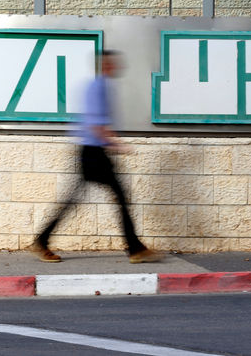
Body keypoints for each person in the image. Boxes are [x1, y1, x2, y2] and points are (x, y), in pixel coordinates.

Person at [28, 50, 161, 264]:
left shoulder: (100, 86)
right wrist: (118, 145)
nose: (117, 67)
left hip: (92, 151)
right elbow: (97, 125)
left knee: (81, 198)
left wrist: (111, 140)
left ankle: (42, 240)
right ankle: (135, 248)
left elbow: (99, 123)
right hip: (93, 152)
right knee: (117, 196)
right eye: (113, 64)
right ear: (106, 66)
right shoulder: (98, 87)